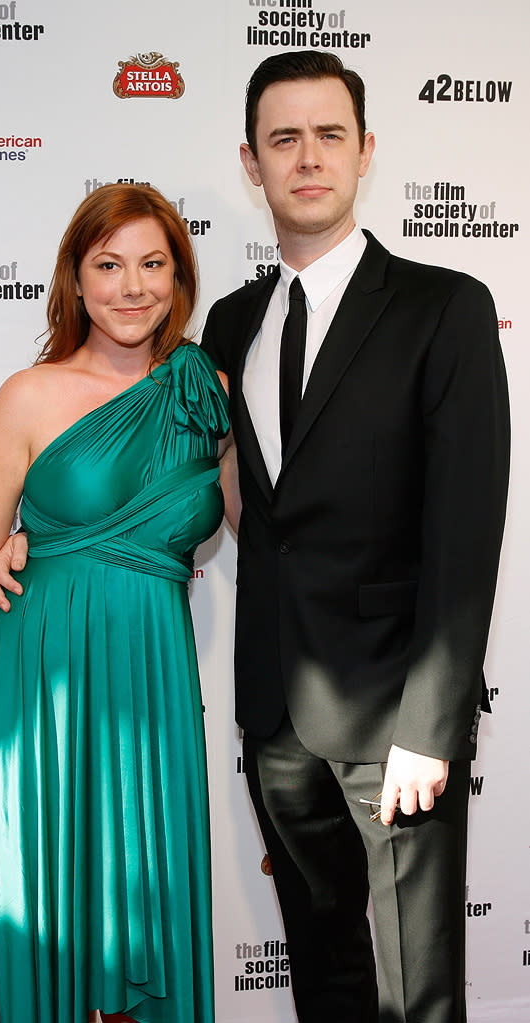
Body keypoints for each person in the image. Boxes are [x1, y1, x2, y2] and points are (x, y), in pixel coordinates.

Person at [199, 51, 510, 1023]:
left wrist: (430, 728)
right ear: (250, 164)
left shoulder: (441, 307)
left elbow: (464, 535)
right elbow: (231, 501)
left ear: (365, 151)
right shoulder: (229, 322)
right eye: (281, 138)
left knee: (417, 996)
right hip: (274, 718)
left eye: (328, 134)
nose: (306, 157)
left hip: (393, 723)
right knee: (326, 986)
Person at [0, 183, 230, 1023]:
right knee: (41, 924)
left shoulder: (205, 393)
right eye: (109, 264)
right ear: (76, 280)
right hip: (33, 689)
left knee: (143, 916)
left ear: (179, 274)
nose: (133, 287)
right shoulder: (30, 394)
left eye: (153, 264)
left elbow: (268, 523)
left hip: (150, 690)